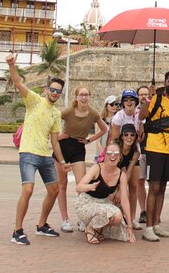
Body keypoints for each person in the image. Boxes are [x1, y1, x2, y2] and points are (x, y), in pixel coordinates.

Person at [6, 52, 69, 245]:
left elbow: (55, 141)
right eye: (53, 89)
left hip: (45, 155)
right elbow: (18, 84)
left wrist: (63, 161)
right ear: (47, 89)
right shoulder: (34, 100)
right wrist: (11, 66)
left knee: (54, 190)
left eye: (58, 91)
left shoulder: (56, 114)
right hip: (28, 153)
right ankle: (17, 230)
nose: (55, 93)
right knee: (28, 190)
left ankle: (42, 225)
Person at [138, 71, 169, 241]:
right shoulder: (156, 98)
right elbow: (142, 116)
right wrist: (149, 98)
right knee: (154, 187)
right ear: (165, 82)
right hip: (154, 147)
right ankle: (148, 227)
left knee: (163, 187)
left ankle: (157, 224)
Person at [56, 86, 108, 233]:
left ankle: (82, 218)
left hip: (78, 148)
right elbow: (50, 120)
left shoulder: (92, 113)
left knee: (82, 185)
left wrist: (89, 140)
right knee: (62, 184)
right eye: (81, 95)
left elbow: (104, 129)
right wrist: (57, 136)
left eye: (86, 95)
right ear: (76, 97)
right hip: (63, 147)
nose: (84, 98)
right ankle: (65, 220)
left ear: (89, 96)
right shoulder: (68, 111)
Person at [75, 142, 136, 244]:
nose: (112, 156)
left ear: (120, 157)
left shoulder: (122, 175)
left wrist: (130, 226)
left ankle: (96, 228)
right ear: (105, 155)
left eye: (116, 153)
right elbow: (78, 187)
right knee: (116, 214)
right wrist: (89, 187)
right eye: (109, 153)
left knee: (118, 223)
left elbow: (125, 201)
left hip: (103, 203)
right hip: (86, 203)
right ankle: (89, 228)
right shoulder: (97, 168)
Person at [109, 89, 143, 230]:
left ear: (136, 102)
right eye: (126, 99)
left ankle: (132, 217)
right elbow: (115, 138)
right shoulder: (118, 117)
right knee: (117, 186)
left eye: (132, 99)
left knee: (134, 185)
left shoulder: (139, 115)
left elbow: (141, 132)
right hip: (121, 152)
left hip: (135, 151)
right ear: (123, 102)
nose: (129, 102)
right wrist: (118, 159)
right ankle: (118, 215)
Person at [135, 85, 152, 226]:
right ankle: (143, 210)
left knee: (153, 182)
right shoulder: (134, 113)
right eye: (141, 94)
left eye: (146, 94)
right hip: (139, 151)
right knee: (140, 181)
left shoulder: (154, 111)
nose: (143, 97)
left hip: (152, 150)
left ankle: (152, 210)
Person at [95, 95, 118, 161]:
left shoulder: (119, 120)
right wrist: (104, 155)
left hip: (115, 155)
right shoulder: (100, 121)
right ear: (106, 106)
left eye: (116, 104)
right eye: (111, 104)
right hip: (101, 155)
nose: (114, 106)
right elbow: (97, 141)